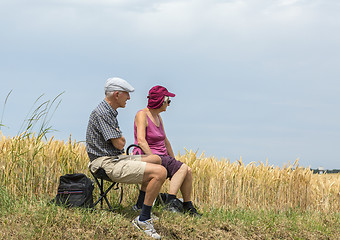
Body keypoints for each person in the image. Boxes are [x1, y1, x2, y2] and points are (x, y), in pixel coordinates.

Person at [86, 77, 166, 239]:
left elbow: (120, 142)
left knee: (156, 160)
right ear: (117, 94)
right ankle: (143, 219)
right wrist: (120, 140)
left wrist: (119, 139)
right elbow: (119, 143)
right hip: (104, 163)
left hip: (114, 158)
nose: (129, 98)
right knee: (160, 172)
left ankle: (139, 206)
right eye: (126, 94)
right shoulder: (103, 113)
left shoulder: (108, 111)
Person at [132, 85, 200, 216]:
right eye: (168, 101)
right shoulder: (142, 115)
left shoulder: (158, 117)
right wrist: (155, 159)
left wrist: (173, 160)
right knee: (183, 168)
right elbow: (141, 140)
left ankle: (187, 205)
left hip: (162, 156)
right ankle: (171, 203)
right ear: (160, 101)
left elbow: (165, 140)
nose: (169, 105)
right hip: (148, 155)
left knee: (187, 170)